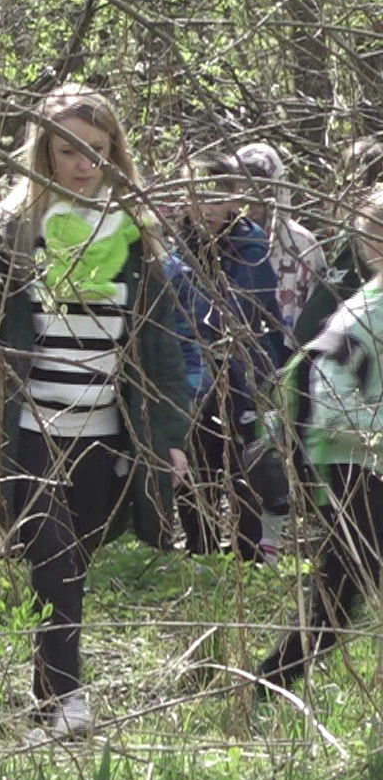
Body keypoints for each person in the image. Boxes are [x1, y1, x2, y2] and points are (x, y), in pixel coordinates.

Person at [0, 84, 192, 742]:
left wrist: (169, 435)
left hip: (106, 430)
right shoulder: (11, 230)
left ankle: (46, 706)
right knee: (50, 554)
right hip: (27, 429)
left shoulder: (136, 234)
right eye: (68, 150)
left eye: (98, 149)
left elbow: (161, 344)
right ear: (44, 153)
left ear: (116, 151)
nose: (85, 164)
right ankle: (67, 702)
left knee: (67, 567)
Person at [256, 185, 383, 691]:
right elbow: (329, 399)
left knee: (342, 589)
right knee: (343, 587)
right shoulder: (362, 315)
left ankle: (272, 679)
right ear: (374, 246)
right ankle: (269, 681)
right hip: (353, 469)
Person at [163, 154, 285, 562]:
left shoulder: (250, 244)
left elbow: (250, 309)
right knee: (196, 465)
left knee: (243, 466)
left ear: (235, 199)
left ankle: (249, 555)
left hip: (240, 372)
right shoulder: (170, 247)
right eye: (193, 195)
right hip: (187, 374)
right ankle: (201, 550)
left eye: (216, 196)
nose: (204, 206)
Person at [232, 142, 326, 346]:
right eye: (242, 192)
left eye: (260, 191)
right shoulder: (224, 244)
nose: (250, 203)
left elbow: (318, 315)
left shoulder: (302, 245)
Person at [292, 137, 383, 348]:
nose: (340, 194)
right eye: (341, 182)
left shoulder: (369, 246)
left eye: (356, 185)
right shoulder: (344, 244)